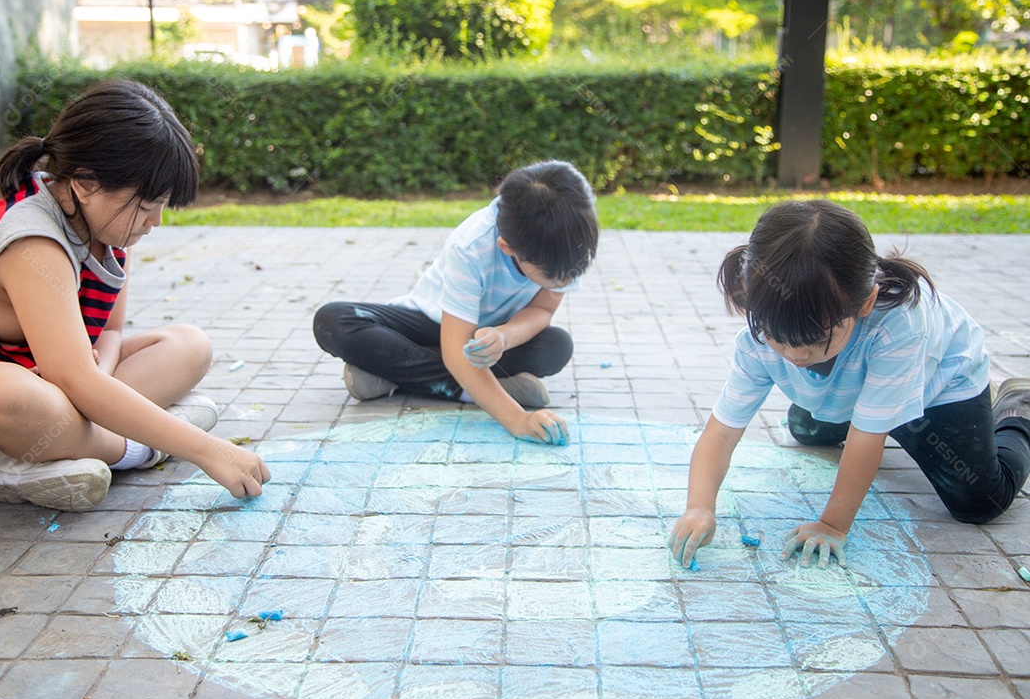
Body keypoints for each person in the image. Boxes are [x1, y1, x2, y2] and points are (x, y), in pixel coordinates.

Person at [0, 79, 270, 512]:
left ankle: (44, 454)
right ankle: (137, 449)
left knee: (188, 345)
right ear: (84, 183)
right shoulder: (33, 244)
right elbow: (75, 381)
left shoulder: (108, 228)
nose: (155, 221)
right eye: (145, 205)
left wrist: (99, 367)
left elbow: (110, 330)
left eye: (162, 204)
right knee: (17, 396)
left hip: (49, 385)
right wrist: (209, 450)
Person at [670, 200, 1030, 569]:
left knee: (980, 500)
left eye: (813, 338)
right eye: (779, 336)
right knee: (806, 430)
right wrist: (699, 505)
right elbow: (721, 433)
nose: (794, 354)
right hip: (860, 387)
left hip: (937, 385)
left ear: (866, 302)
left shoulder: (900, 327)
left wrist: (832, 524)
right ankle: (851, 403)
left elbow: (866, 439)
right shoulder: (761, 334)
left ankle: (1020, 406)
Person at [313, 160, 598, 445]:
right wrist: (517, 418)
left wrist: (505, 336)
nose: (564, 280)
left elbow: (542, 309)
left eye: (573, 270)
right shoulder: (472, 246)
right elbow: (455, 349)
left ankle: (394, 372)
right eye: (548, 275)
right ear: (508, 247)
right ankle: (474, 388)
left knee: (556, 346)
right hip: (433, 322)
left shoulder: (566, 240)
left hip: (486, 339)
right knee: (333, 320)